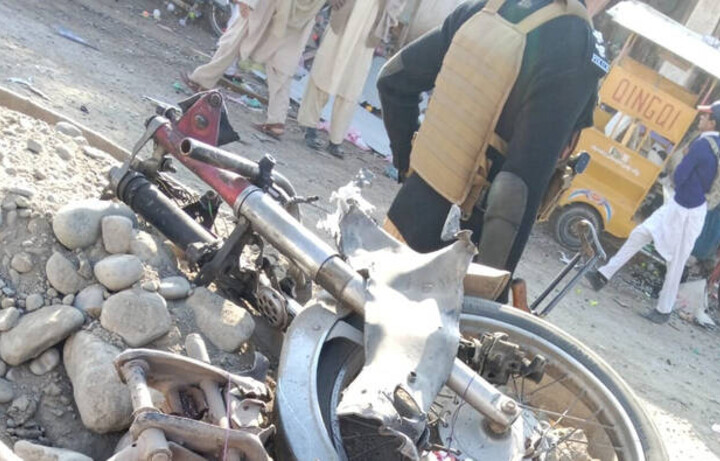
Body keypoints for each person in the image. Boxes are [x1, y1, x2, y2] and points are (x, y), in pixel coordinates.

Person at [376, 0, 607, 280]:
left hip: (400, 223)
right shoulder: (575, 46)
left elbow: (393, 78)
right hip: (455, 263)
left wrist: (409, 167)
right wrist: (491, 287)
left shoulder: (490, 6)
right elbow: (514, 192)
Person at [586, 102, 720, 323]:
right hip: (690, 207)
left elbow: (680, 175)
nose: (701, 119)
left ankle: (663, 309)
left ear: (713, 122)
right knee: (661, 249)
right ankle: (604, 275)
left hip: (683, 208)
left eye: (705, 117)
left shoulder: (702, 144)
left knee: (658, 247)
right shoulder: (713, 145)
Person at [182, 0, 326, 139]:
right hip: (300, 18)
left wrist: (248, 2)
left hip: (268, 6)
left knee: (236, 38)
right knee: (282, 65)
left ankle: (202, 80)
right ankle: (277, 121)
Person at [298, 0, 407, 158]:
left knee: (351, 86)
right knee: (325, 71)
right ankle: (309, 126)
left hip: (369, 27)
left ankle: (336, 140)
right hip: (344, 14)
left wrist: (387, 20)